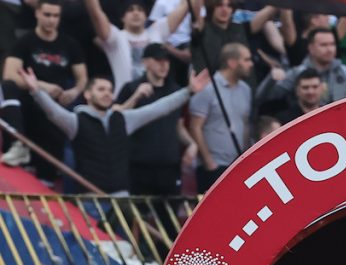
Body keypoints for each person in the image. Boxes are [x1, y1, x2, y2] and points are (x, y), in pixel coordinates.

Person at [21, 67, 209, 196]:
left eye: (110, 90)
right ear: (87, 94)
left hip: (121, 197)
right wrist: (36, 91)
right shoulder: (76, 121)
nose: (107, 93)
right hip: (90, 198)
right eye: (101, 89)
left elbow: (159, 108)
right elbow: (53, 112)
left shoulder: (123, 119)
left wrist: (188, 91)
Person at [0, 0, 87, 181]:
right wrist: (41, 86)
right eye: (47, 15)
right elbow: (9, 75)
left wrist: (73, 92)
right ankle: (18, 141)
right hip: (27, 104)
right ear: (37, 14)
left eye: (56, 16)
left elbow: (82, 78)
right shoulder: (25, 41)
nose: (51, 20)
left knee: (47, 172)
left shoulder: (69, 44)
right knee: (8, 87)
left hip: (53, 109)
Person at [117, 43, 195, 199]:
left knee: (169, 212)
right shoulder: (131, 88)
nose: (164, 65)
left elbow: (178, 126)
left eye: (166, 61)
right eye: (158, 60)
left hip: (169, 166)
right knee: (137, 212)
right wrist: (135, 97)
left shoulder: (176, 91)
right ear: (145, 62)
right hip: (139, 166)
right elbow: (117, 119)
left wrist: (192, 144)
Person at [257, 28, 346, 111]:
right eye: (324, 45)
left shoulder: (345, 72)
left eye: (332, 44)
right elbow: (264, 98)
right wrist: (271, 79)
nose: (329, 49)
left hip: (340, 128)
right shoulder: (297, 73)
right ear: (311, 48)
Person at [83, 0, 190, 94]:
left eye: (140, 10)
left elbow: (184, 6)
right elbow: (95, 13)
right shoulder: (116, 37)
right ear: (122, 17)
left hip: (156, 99)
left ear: (146, 16)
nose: (136, 13)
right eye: (130, 10)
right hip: (125, 100)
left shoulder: (157, 31)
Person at [189, 43, 252, 192]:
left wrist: (245, 158)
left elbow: (245, 124)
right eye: (246, 60)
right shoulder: (208, 88)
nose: (251, 64)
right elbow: (195, 126)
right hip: (214, 167)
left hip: (237, 166)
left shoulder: (246, 90)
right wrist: (209, 162)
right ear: (232, 62)